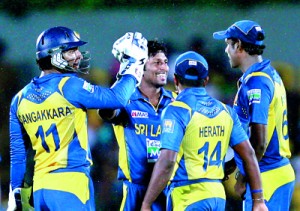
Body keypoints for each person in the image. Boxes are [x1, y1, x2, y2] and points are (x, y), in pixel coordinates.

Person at [9, 27, 148, 210]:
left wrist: (16, 193)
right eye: (71, 51)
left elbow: (17, 155)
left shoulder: (19, 99)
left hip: (40, 189)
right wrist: (133, 66)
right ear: (54, 55)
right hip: (71, 183)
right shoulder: (69, 85)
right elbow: (116, 99)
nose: (78, 56)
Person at [141, 51, 268, 211]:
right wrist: (258, 200)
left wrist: (146, 203)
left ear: (175, 79)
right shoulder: (226, 111)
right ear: (206, 80)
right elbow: (249, 155)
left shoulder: (177, 110)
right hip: (217, 195)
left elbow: (167, 162)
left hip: (188, 195)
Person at [213, 20, 295, 210]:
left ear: (239, 45)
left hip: (266, 176)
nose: (226, 50)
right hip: (275, 172)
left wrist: (243, 178)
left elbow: (259, 142)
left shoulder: (256, 83)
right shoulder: (269, 74)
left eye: (228, 44)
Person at [98, 40, 176, 211]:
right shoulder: (125, 100)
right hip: (136, 191)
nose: (164, 68)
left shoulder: (175, 102)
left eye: (165, 62)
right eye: (157, 62)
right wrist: (126, 70)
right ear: (141, 66)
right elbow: (106, 111)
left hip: (170, 189)